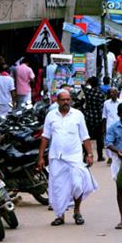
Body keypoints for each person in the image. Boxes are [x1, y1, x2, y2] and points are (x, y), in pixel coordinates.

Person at [37, 89, 98, 226]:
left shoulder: (78, 115)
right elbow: (45, 137)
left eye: (68, 99)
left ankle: (77, 211)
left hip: (74, 157)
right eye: (63, 99)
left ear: (71, 100)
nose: (65, 102)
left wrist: (90, 154)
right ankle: (60, 215)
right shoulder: (51, 116)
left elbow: (85, 136)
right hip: (56, 157)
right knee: (58, 187)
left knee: (77, 184)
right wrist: (40, 157)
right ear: (57, 101)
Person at [83, 77, 107, 162]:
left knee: (86, 137)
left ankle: (86, 155)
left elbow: (83, 86)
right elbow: (102, 107)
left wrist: (87, 82)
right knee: (99, 138)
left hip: (89, 117)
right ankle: (100, 156)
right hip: (98, 118)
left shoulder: (88, 92)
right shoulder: (101, 94)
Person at [102, 87, 122, 165]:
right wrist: (103, 128)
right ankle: (110, 157)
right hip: (109, 125)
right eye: (111, 92)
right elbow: (104, 116)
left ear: (117, 93)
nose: (112, 94)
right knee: (108, 142)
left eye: (114, 92)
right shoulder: (106, 103)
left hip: (119, 125)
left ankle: (119, 154)